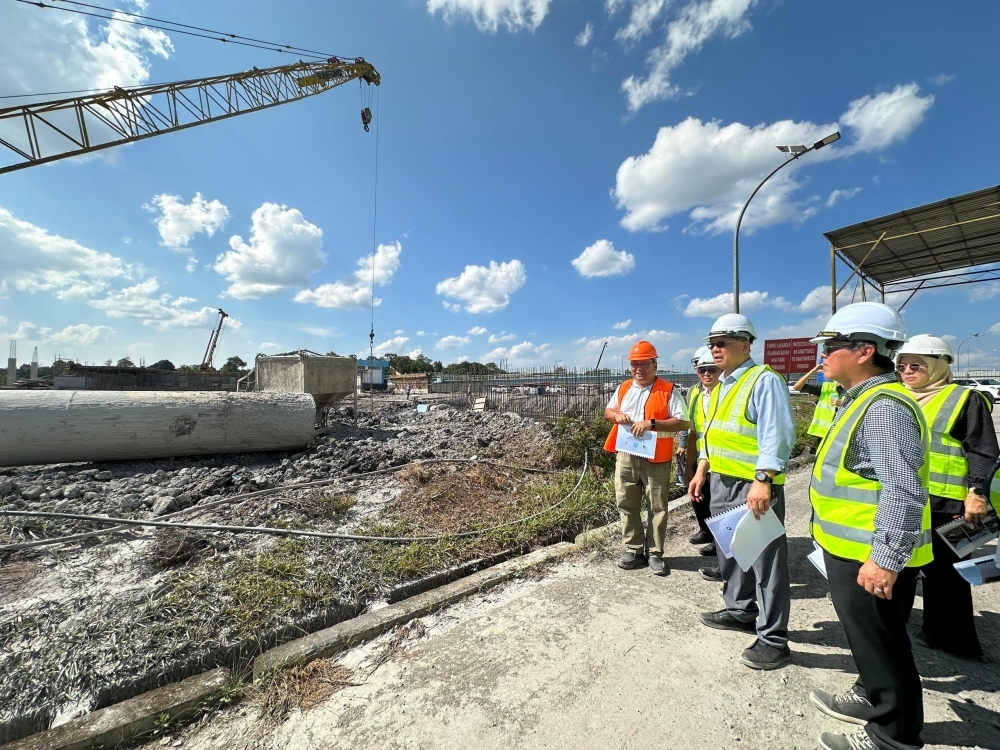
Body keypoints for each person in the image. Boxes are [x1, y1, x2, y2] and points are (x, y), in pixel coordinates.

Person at [805, 302, 932, 750]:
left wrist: (884, 558)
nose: (822, 354)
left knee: (884, 642)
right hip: (853, 547)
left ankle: (892, 736)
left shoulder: (882, 407)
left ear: (863, 350)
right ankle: (870, 694)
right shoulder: (861, 398)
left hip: (871, 554)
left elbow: (903, 489)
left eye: (830, 345)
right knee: (871, 638)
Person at [688, 313, 795, 670]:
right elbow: (713, 435)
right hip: (722, 480)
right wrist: (702, 470)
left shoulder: (763, 380)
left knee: (766, 562)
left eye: (723, 342)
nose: (715, 349)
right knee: (731, 552)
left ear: (746, 344)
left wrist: (763, 479)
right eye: (712, 343)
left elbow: (777, 434)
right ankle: (739, 610)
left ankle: (774, 639)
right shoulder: (724, 385)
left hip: (752, 485)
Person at [895, 334, 998, 658]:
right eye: (902, 366)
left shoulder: (964, 398)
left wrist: (976, 493)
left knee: (948, 576)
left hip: (949, 503)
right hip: (908, 498)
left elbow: (982, 450)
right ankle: (913, 629)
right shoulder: (897, 397)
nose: (907, 372)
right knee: (903, 567)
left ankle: (956, 640)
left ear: (939, 366)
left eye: (916, 365)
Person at [604, 340, 690, 576]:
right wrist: (617, 415)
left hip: (657, 458)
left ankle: (655, 553)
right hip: (627, 454)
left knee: (658, 506)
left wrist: (651, 423)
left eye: (644, 363)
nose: (638, 368)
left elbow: (683, 422)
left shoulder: (669, 390)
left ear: (654, 364)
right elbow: (608, 411)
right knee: (626, 502)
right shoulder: (623, 388)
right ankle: (633, 549)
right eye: (634, 364)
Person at [684, 347, 723, 566]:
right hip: (704, 460)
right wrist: (691, 464)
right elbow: (694, 431)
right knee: (705, 501)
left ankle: (728, 563)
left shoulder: (726, 394)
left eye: (711, 369)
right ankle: (714, 542)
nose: (706, 374)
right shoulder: (698, 397)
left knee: (722, 511)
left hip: (726, 465)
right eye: (701, 369)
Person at [794, 363, 842, 441]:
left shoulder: (852, 388)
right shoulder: (826, 387)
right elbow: (797, 387)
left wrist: (842, 404)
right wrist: (813, 371)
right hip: (823, 433)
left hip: (840, 434)